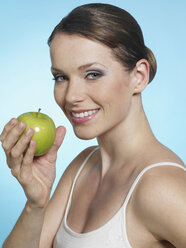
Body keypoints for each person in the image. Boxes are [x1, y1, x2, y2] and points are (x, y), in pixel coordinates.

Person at [1, 3, 186, 248]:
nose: (70, 96)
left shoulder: (161, 186)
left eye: (93, 74)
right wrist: (35, 205)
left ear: (139, 77)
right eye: (61, 77)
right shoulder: (83, 165)